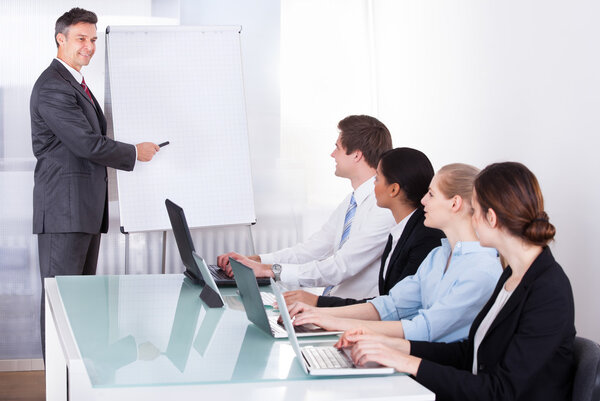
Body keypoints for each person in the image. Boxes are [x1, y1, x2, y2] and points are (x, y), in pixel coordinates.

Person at [337, 162, 575, 401]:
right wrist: (391, 347)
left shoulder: (548, 290)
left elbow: (502, 391)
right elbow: (470, 353)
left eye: (475, 211)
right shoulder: (512, 275)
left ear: (490, 218)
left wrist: (406, 361)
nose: (472, 218)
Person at [31, 7, 159, 356]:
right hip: (63, 212)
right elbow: (85, 143)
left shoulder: (75, 83)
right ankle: (58, 387)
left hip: (81, 211)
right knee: (61, 302)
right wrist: (134, 152)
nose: (88, 46)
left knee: (80, 303)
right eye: (80, 38)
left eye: (92, 39)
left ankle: (79, 380)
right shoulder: (53, 87)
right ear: (61, 38)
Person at [288, 164, 502, 343]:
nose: (423, 201)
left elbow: (424, 328)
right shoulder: (437, 256)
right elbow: (390, 305)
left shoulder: (481, 269)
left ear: (455, 203)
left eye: (431, 194)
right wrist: (318, 315)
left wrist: (335, 323)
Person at [217, 115, 395, 299]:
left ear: (357, 155)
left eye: (338, 147)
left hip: (351, 313)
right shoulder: (352, 202)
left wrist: (270, 270)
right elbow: (313, 249)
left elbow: (340, 267)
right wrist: (257, 260)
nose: (332, 154)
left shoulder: (383, 208)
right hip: (331, 303)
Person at [283, 147, 445, 307]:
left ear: (394, 189)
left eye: (377, 179)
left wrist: (319, 303)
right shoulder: (399, 231)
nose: (373, 185)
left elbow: (396, 307)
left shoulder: (425, 237)